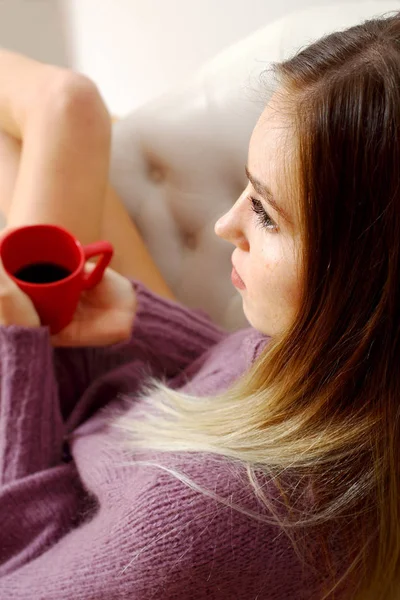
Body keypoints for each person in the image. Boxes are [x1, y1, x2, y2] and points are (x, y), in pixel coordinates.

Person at [0, 8, 399, 598]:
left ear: (367, 276)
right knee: (63, 110)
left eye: (264, 212)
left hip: (48, 480)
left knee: (63, 108)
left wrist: (17, 354)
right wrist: (144, 320)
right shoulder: (362, 383)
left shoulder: (203, 518)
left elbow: (15, 567)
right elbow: (251, 379)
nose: (224, 224)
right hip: (142, 425)